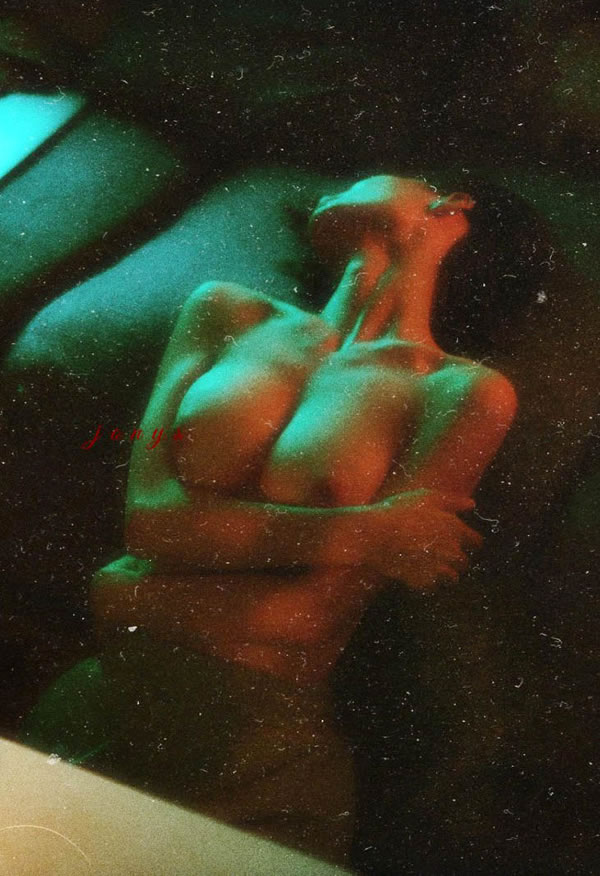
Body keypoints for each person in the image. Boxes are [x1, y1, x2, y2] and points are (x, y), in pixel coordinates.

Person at [23, 175, 517, 865]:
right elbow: (149, 521)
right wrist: (367, 531)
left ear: (452, 207)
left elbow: (309, 616)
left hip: (253, 751)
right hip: (98, 702)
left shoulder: (464, 392)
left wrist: (136, 585)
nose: (330, 185)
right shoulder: (225, 311)